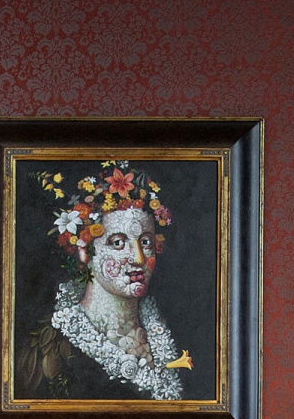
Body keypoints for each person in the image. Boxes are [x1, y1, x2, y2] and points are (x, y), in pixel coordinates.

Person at [20, 162, 192, 401]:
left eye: (145, 242)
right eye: (118, 243)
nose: (138, 258)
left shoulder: (177, 331)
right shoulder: (51, 350)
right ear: (84, 251)